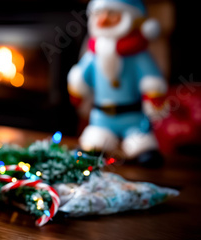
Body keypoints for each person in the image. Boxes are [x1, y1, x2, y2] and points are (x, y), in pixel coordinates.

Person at [67, 0, 167, 166]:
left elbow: (152, 80)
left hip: (133, 117)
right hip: (101, 118)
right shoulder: (93, 54)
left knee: (143, 148)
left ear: (129, 17)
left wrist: (153, 95)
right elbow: (81, 77)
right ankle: (97, 146)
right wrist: (77, 88)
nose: (104, 19)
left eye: (112, 14)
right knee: (93, 145)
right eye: (99, 14)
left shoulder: (138, 55)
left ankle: (142, 150)